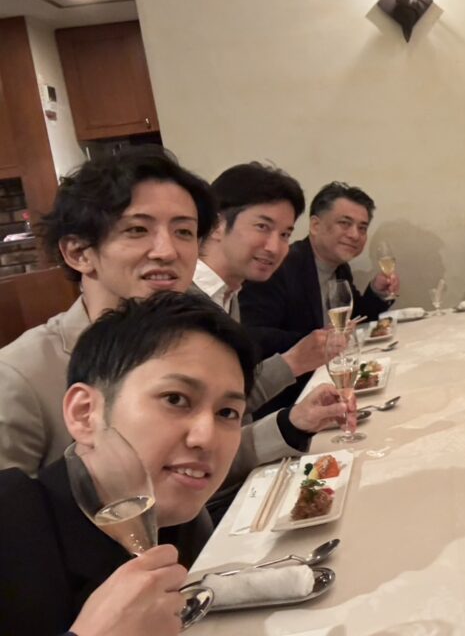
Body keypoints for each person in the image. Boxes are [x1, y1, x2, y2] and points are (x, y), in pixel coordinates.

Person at [0, 148, 344, 484]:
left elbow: (201, 458)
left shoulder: (188, 336)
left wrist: (292, 424)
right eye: (137, 230)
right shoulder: (21, 378)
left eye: (183, 232)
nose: (168, 251)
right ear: (78, 252)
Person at [0, 292, 258, 635]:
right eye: (175, 399)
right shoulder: (11, 525)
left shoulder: (181, 525)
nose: (206, 437)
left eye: (227, 412)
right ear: (85, 413)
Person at [197, 163, 350, 511]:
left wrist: (294, 419)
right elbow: (195, 439)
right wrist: (288, 414)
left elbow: (227, 403)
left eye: (284, 234)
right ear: (217, 224)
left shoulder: (227, 296)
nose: (275, 246)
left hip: (236, 481)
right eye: (263, 227)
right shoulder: (184, 305)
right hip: (209, 506)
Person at [240, 181, 397, 359]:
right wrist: (320, 340)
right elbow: (255, 336)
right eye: (345, 223)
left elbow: (353, 321)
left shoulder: (340, 267)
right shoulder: (279, 266)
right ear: (315, 226)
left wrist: (376, 292)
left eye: (362, 228)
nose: (355, 235)